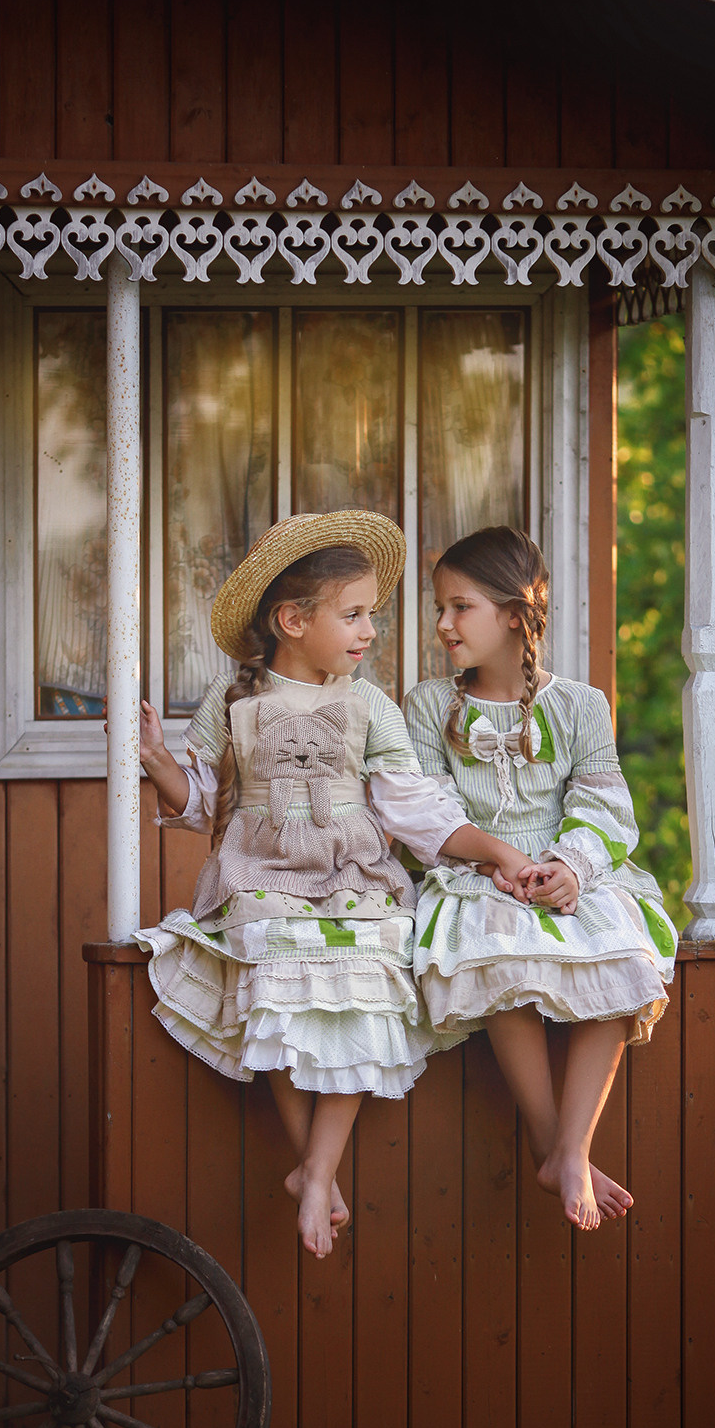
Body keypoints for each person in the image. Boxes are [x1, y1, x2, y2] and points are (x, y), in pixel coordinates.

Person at [135, 511, 540, 1260]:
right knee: (275, 985)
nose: (369, 632)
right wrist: (158, 760)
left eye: (370, 615)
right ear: (293, 621)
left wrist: (499, 854)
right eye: (353, 615)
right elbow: (200, 804)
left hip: (352, 874)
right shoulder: (234, 702)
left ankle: (318, 1170)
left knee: (367, 974)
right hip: (261, 873)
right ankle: (315, 1170)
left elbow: (415, 809)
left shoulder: (369, 706)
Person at [403, 526, 678, 1233]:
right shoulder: (429, 704)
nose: (443, 624)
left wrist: (570, 867)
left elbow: (603, 805)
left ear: (513, 615)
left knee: (624, 954)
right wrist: (492, 860)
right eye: (440, 608)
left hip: (564, 871)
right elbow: (428, 809)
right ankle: (552, 1143)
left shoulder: (581, 706)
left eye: (460, 607)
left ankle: (571, 1146)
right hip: (475, 872)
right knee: (497, 952)